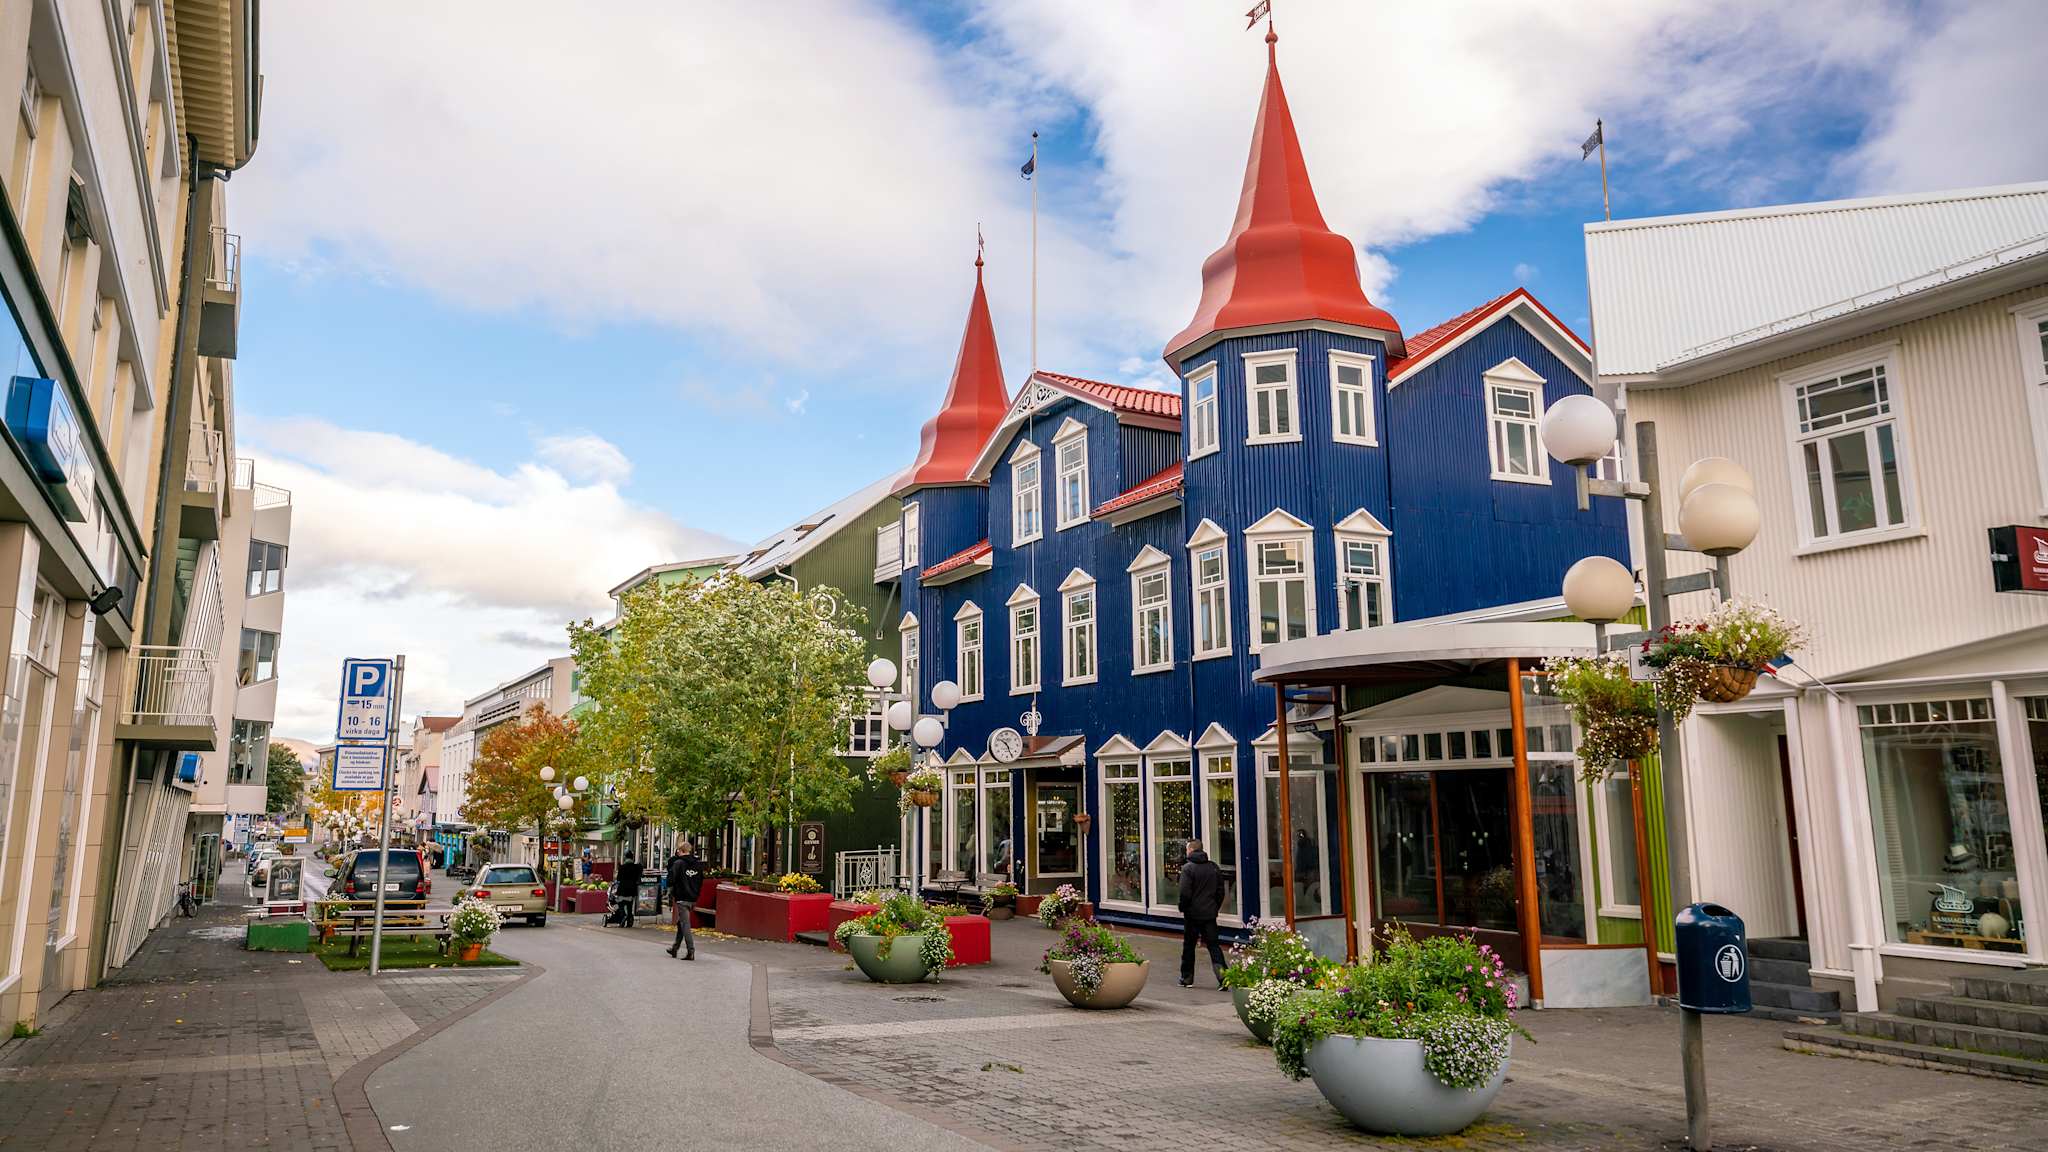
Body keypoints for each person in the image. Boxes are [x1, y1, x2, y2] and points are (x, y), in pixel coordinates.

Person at [1177, 839, 1227, 989]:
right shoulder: (1213, 867)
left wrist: (1183, 907)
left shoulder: (1188, 869)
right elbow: (1220, 891)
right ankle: (1224, 978)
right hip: (1209, 914)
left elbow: (1185, 893)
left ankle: (1187, 978)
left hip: (1192, 915)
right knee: (1214, 946)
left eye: (1187, 850)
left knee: (1189, 946)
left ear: (1191, 850)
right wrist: (1214, 907)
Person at [665, 841, 704, 960]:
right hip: (693, 897)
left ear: (681, 851)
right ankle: (675, 948)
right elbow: (701, 880)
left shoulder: (678, 863)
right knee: (681, 923)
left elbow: (670, 880)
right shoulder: (698, 864)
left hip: (682, 897)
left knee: (685, 924)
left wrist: (672, 891)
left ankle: (690, 951)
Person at [615, 852, 645, 928]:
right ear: (632, 858)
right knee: (629, 906)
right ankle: (629, 921)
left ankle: (623, 917)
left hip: (622, 889)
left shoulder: (622, 867)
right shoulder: (636, 867)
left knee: (621, 904)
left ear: (625, 858)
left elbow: (618, 878)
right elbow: (641, 872)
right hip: (632, 889)